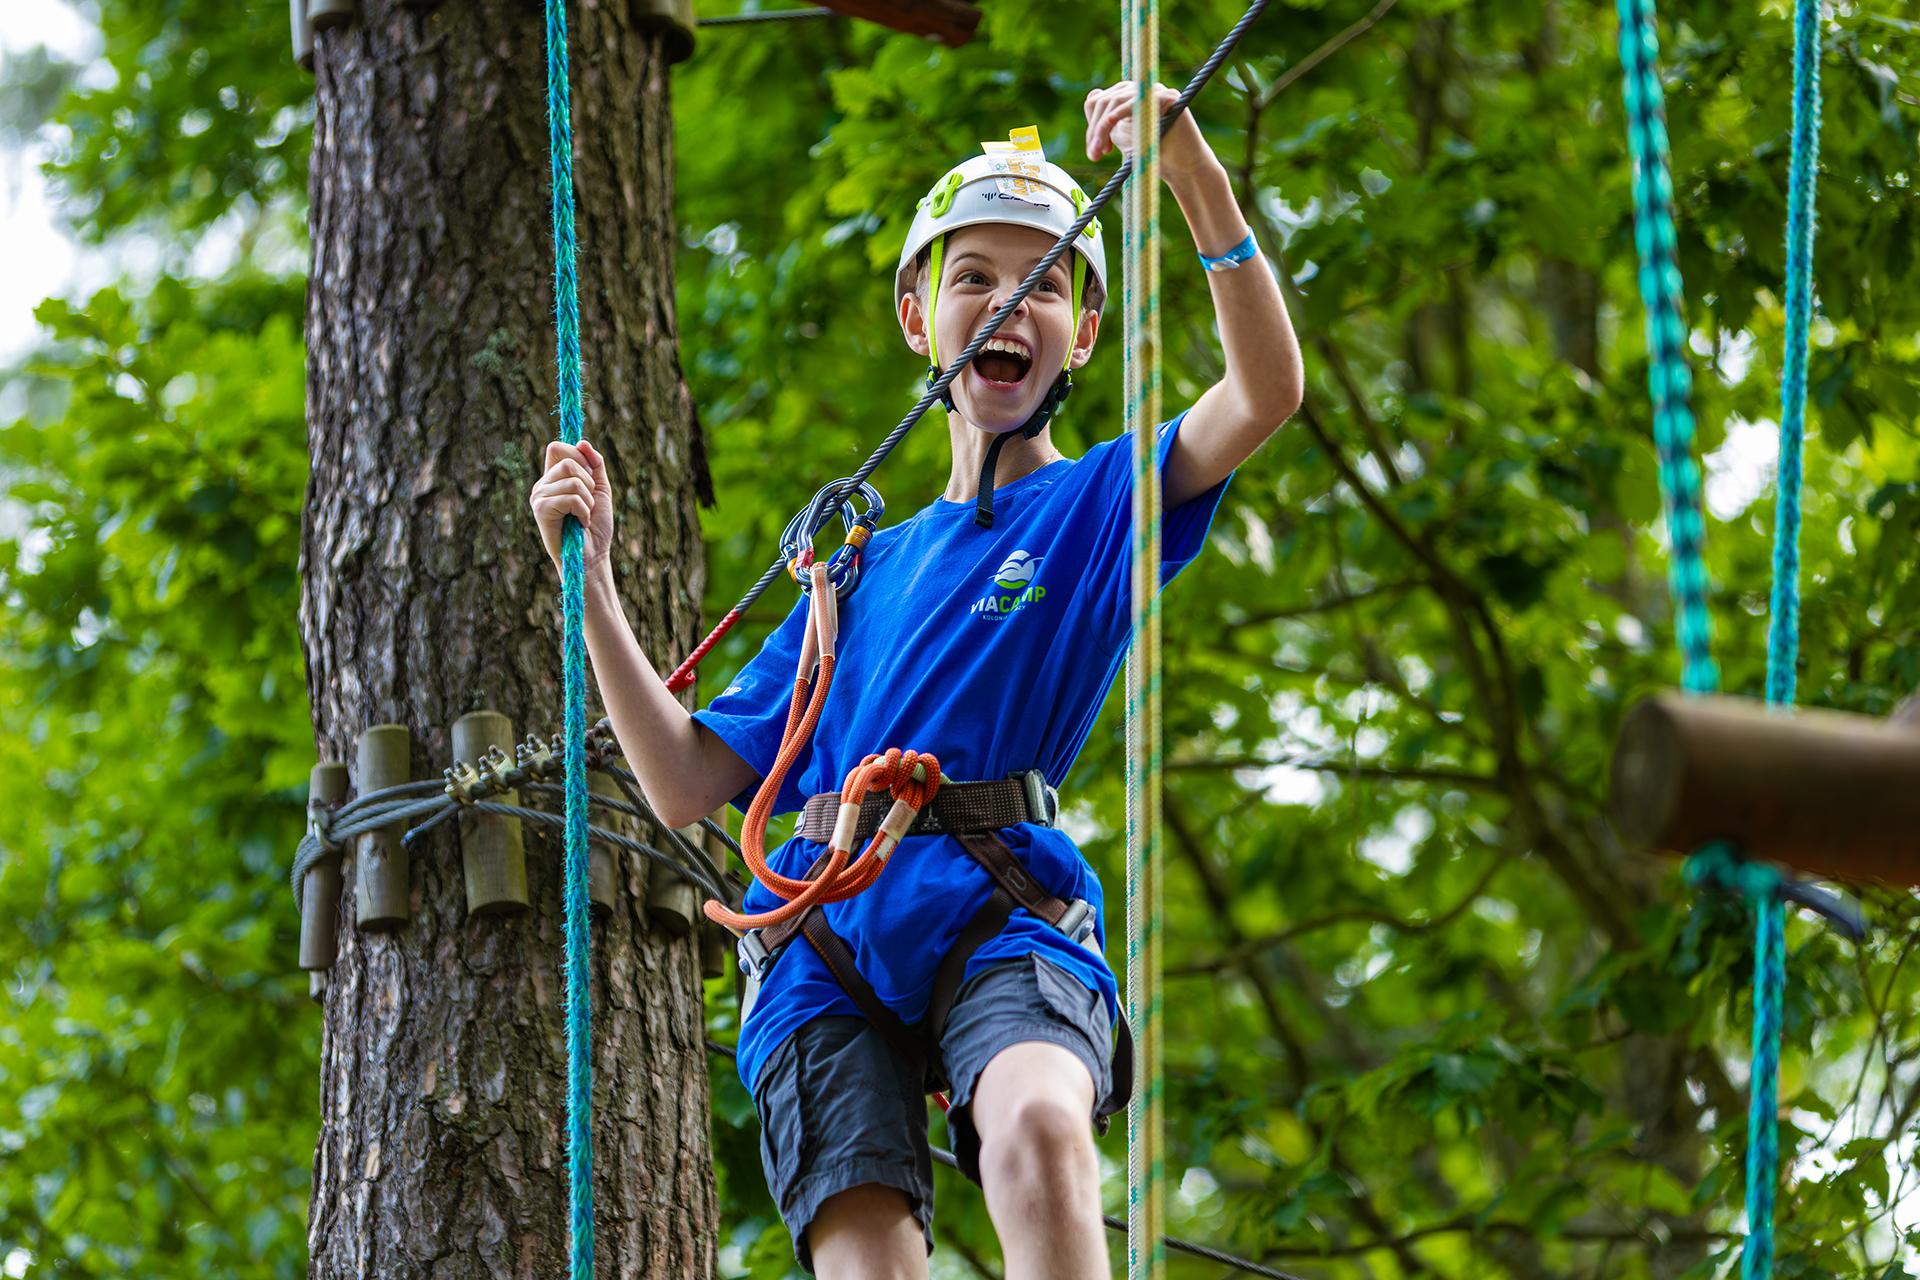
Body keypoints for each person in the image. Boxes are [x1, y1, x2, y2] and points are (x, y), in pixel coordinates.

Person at [529, 82, 1304, 1280]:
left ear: (1082, 336)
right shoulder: (850, 573)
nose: (1010, 300)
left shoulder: (1094, 504)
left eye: (1047, 283)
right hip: (821, 945)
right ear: (916, 315)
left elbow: (1263, 394)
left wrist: (1191, 175)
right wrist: (592, 586)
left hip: (1000, 904)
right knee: (869, 1264)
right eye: (975, 277)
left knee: (1042, 1130)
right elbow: (685, 778)